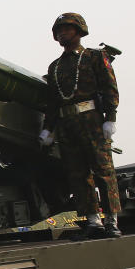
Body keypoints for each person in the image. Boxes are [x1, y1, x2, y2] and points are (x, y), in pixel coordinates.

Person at [39, 12, 121, 238]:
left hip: (92, 121)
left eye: (67, 29)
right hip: (67, 125)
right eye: (59, 31)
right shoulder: (55, 67)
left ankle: (112, 221)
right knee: (77, 174)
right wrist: (48, 128)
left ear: (78, 31)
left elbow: (109, 88)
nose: (62, 33)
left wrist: (110, 118)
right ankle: (93, 221)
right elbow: (53, 102)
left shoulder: (94, 57)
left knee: (103, 172)